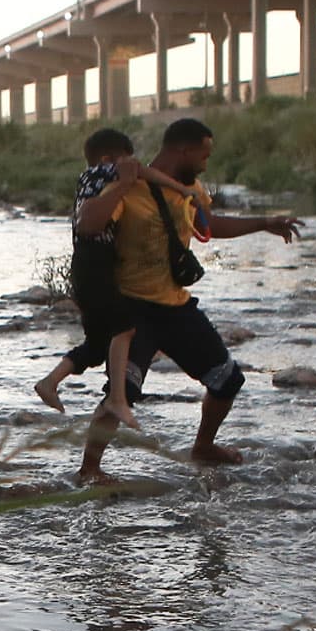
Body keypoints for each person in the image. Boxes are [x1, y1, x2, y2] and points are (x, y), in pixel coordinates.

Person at [78, 117, 302, 486]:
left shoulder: (192, 188)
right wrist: (120, 187)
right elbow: (88, 224)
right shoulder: (131, 186)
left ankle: (203, 446)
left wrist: (264, 222)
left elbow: (209, 227)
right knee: (122, 395)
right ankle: (89, 469)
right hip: (134, 311)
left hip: (177, 307)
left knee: (227, 380)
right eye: (203, 155)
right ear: (182, 150)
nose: (205, 164)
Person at [34, 128, 200, 430]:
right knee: (125, 328)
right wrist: (183, 189)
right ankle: (118, 400)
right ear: (110, 158)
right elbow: (145, 174)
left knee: (99, 344)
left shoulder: (88, 178)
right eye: (128, 161)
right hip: (95, 265)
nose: (133, 166)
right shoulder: (108, 172)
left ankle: (49, 382)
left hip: (87, 267)